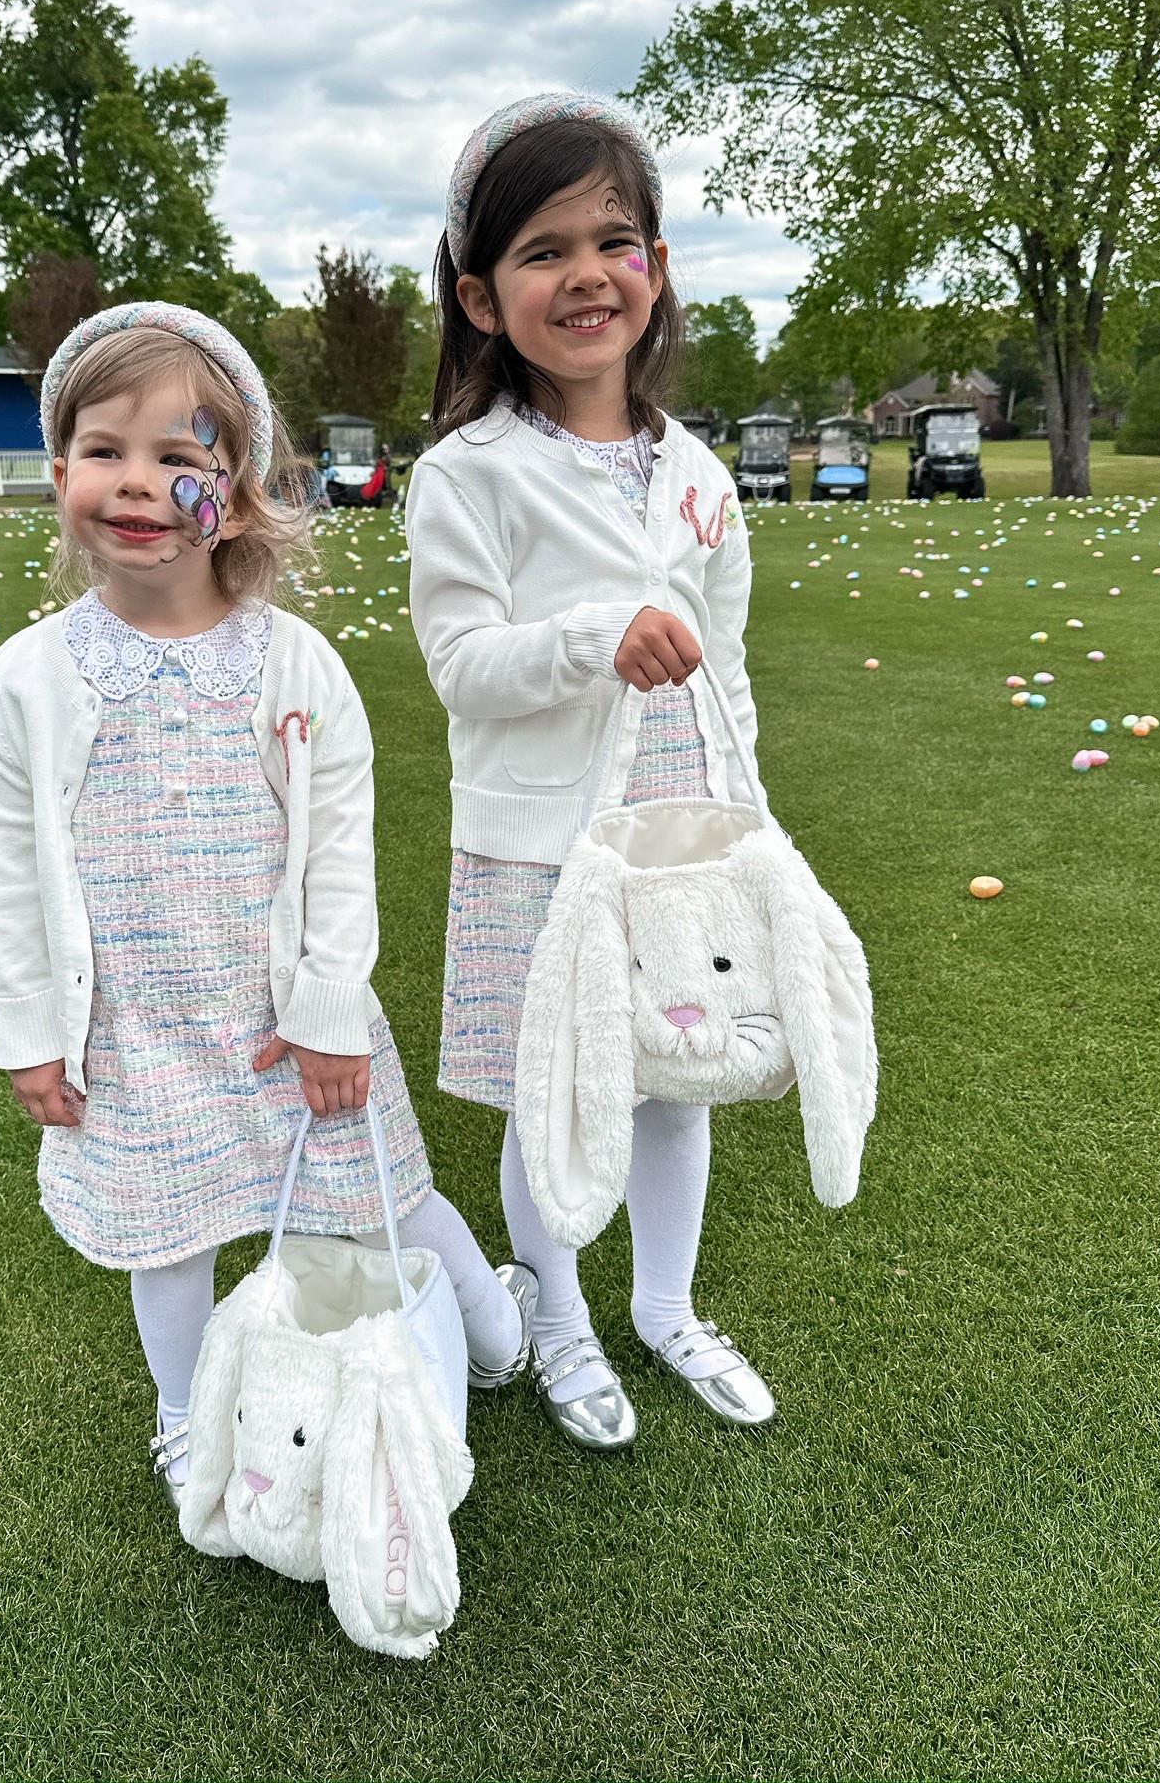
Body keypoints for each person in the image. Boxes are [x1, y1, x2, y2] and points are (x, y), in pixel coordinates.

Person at [0, 302, 531, 1504]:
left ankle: (493, 1325)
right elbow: (12, 871)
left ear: (233, 486)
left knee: (385, 1194)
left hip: (284, 1021)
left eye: (180, 456)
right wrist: (32, 1035)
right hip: (133, 1029)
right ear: (61, 468)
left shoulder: (294, 665)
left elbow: (339, 848)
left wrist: (331, 1008)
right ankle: (185, 1416)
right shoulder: (26, 680)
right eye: (106, 451)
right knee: (166, 1235)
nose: (137, 482)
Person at [405, 93, 775, 1455]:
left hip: (680, 836)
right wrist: (590, 642)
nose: (585, 275)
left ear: (657, 268)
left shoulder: (700, 476)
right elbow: (464, 666)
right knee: (553, 1090)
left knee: (680, 1076)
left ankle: (665, 1307)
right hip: (540, 844)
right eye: (543, 250)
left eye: (614, 240)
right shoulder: (470, 477)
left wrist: (751, 830)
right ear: (483, 298)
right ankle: (555, 1314)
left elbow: (725, 667)